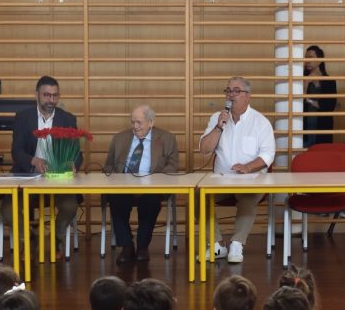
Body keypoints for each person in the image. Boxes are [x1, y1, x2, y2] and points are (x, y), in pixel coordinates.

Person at [198, 77, 275, 264]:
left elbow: (267, 155)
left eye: (236, 91)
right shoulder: (217, 118)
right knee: (197, 196)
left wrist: (248, 167)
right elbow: (204, 149)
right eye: (228, 91)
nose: (231, 95)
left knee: (247, 197)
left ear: (248, 96)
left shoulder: (260, 121)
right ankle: (215, 244)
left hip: (251, 179)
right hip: (221, 179)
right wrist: (218, 126)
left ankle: (237, 244)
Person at [2, 76, 82, 240]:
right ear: (36, 95)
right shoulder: (23, 117)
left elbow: (77, 153)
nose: (51, 100)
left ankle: (56, 239)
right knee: (7, 210)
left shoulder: (68, 119)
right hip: (27, 176)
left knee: (70, 206)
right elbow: (16, 151)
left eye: (55, 95)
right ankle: (29, 240)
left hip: (58, 179)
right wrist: (34, 160)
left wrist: (73, 164)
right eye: (46, 95)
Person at [103, 105, 180, 263]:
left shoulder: (166, 138)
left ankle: (142, 247)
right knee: (115, 199)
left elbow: (172, 166)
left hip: (152, 187)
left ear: (151, 122)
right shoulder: (120, 138)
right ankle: (126, 246)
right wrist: (116, 179)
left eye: (139, 122)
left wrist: (157, 180)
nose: (135, 127)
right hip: (123, 185)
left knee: (150, 202)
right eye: (133, 122)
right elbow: (108, 166)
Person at [302, 45, 336, 147]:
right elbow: (298, 103)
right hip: (305, 127)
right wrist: (305, 85)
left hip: (322, 128)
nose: (307, 61)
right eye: (305, 58)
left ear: (320, 60)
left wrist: (308, 100)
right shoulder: (300, 79)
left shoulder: (329, 81)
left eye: (310, 57)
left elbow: (329, 106)